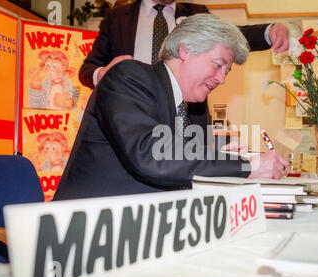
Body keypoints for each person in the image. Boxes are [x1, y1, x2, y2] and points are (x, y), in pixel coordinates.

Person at [53, 14, 289, 201]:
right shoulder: (128, 77)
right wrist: (245, 165)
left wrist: (222, 158)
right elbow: (153, 155)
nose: (221, 79)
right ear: (185, 49)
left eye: (226, 71)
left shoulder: (182, 109)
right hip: (86, 233)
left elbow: (178, 164)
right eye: (218, 65)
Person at [79, 0, 290, 90]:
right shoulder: (117, 18)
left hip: (186, 122)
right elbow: (87, 69)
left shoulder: (195, 13)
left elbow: (232, 36)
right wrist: (103, 74)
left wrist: (269, 32)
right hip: (128, 116)